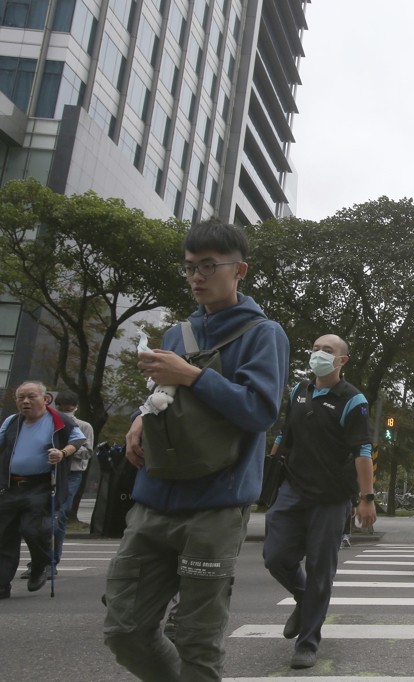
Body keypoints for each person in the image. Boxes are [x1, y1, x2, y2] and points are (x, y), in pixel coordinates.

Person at [104, 220, 290, 681]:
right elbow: (162, 400)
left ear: (239, 269)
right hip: (154, 496)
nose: (197, 277)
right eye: (190, 267)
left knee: (196, 639)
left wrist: (192, 375)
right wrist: (137, 420)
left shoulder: (263, 334)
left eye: (209, 266)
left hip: (216, 505)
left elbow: (259, 411)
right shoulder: (176, 335)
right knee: (123, 628)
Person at [263, 334, 376, 669]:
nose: (319, 355)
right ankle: (303, 597)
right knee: (275, 557)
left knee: (320, 571)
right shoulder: (299, 391)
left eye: (328, 351)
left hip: (330, 498)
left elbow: (363, 451)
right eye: (315, 349)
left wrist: (367, 498)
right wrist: (269, 470)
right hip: (292, 490)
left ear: (343, 360)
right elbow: (285, 436)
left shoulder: (353, 400)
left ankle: (308, 642)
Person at [0, 380, 86, 598]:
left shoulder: (59, 420)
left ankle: (41, 564)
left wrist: (62, 453)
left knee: (33, 529)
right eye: (21, 397)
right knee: (3, 535)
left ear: (45, 399)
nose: (25, 402)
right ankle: (2, 584)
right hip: (11, 487)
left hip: (41, 486)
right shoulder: (12, 422)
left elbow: (77, 440)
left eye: (31, 396)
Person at [52, 391, 94, 569]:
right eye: (62, 409)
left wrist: (68, 450)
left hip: (71, 473)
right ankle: (40, 561)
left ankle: (51, 561)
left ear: (76, 407)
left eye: (69, 409)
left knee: (59, 515)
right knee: (43, 516)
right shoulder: (49, 422)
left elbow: (88, 452)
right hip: (50, 472)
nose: (66, 413)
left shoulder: (84, 426)